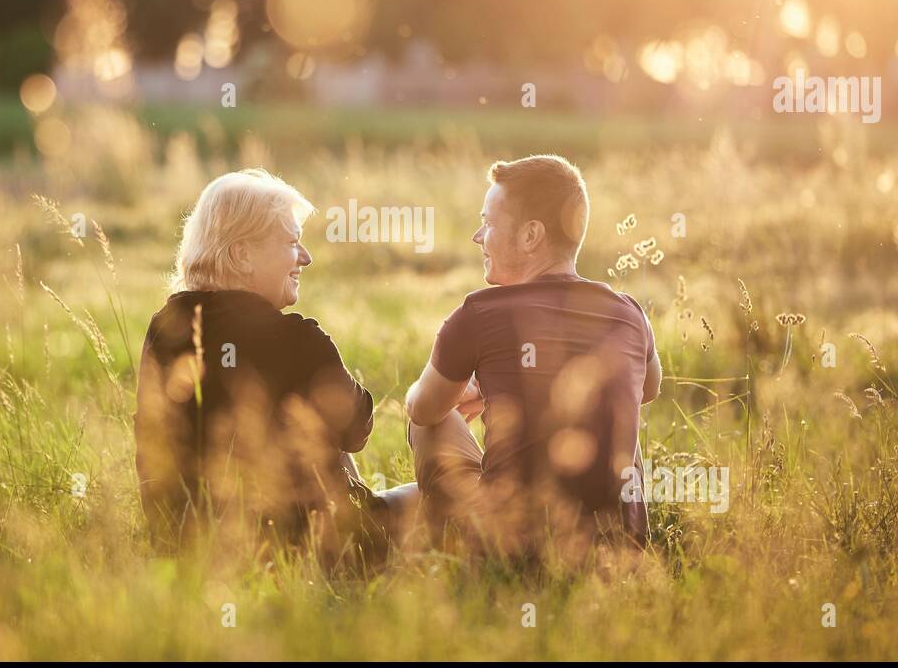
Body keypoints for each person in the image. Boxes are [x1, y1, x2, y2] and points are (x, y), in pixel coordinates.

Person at [133, 168, 417, 561]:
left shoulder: (165, 328)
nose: (306, 257)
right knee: (437, 496)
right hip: (302, 550)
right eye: (292, 242)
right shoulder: (297, 339)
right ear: (241, 254)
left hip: (185, 548)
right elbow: (356, 429)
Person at [404, 154, 661, 559]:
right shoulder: (628, 312)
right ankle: (620, 530)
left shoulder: (478, 313)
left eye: (488, 223)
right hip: (614, 553)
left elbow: (422, 408)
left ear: (530, 236)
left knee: (432, 420)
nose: (477, 236)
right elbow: (649, 388)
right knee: (617, 398)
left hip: (508, 547)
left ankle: (449, 543)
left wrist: (465, 392)